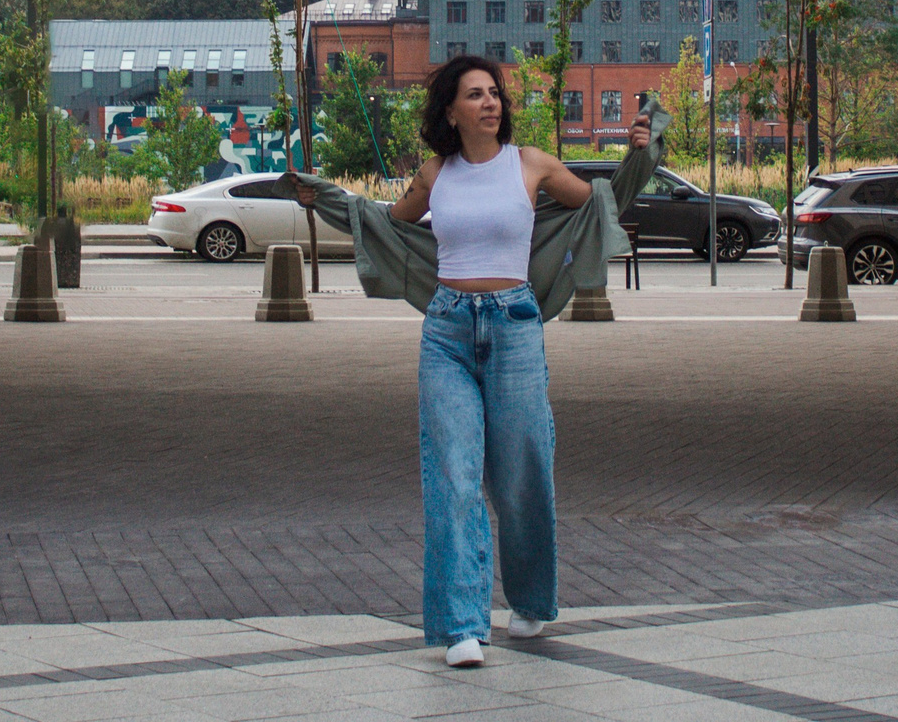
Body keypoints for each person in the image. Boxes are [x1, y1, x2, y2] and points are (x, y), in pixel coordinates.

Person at [270, 55, 658, 669]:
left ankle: (530, 599)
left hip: (515, 327)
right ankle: (462, 626)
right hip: (446, 330)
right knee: (452, 474)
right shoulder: (434, 174)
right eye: (475, 94)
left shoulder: (532, 164)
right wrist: (326, 199)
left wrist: (639, 154)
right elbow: (385, 225)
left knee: (522, 475)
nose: (490, 102)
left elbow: (598, 206)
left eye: (494, 93)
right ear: (450, 111)